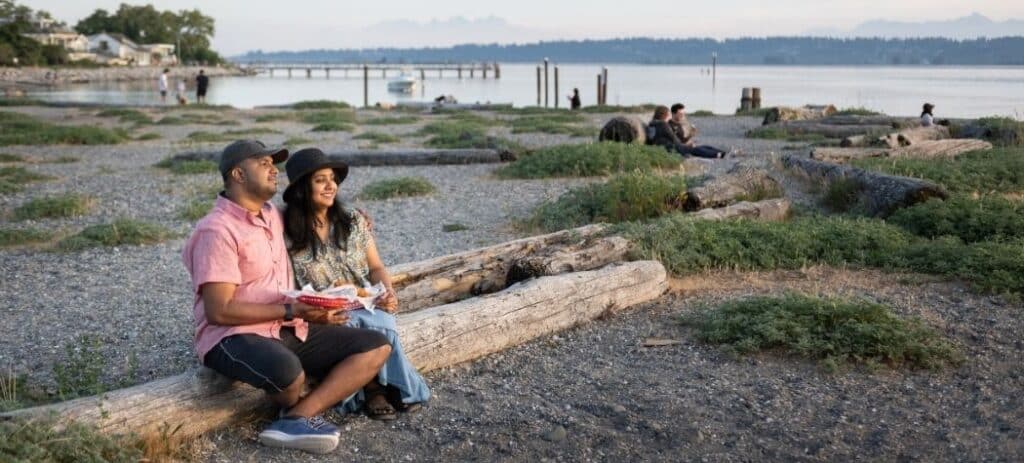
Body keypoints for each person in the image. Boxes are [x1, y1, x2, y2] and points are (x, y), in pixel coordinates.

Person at [182, 139, 392, 454]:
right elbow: (218, 311)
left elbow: (309, 212)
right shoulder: (217, 230)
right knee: (289, 373)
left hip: (284, 326)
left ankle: (295, 418)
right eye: (264, 163)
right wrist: (291, 309)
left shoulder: (270, 215)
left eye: (273, 163)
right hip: (232, 335)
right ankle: (297, 413)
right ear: (238, 174)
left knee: (376, 346)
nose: (274, 170)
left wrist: (354, 220)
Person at [282, 148, 431, 421]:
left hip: (364, 299)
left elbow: (376, 267)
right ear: (302, 189)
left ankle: (379, 387)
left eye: (333, 179)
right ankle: (377, 389)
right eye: (320, 180)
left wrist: (387, 291)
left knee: (383, 321)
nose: (331, 186)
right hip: (319, 310)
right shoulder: (283, 230)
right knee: (348, 324)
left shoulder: (353, 220)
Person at [647, 105, 726, 159]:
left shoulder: (652, 124)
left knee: (702, 147)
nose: (669, 116)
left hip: (666, 148)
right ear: (664, 115)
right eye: (668, 114)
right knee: (696, 149)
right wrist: (685, 145)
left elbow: (654, 139)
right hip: (671, 149)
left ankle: (722, 152)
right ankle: (718, 154)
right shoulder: (663, 124)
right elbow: (674, 138)